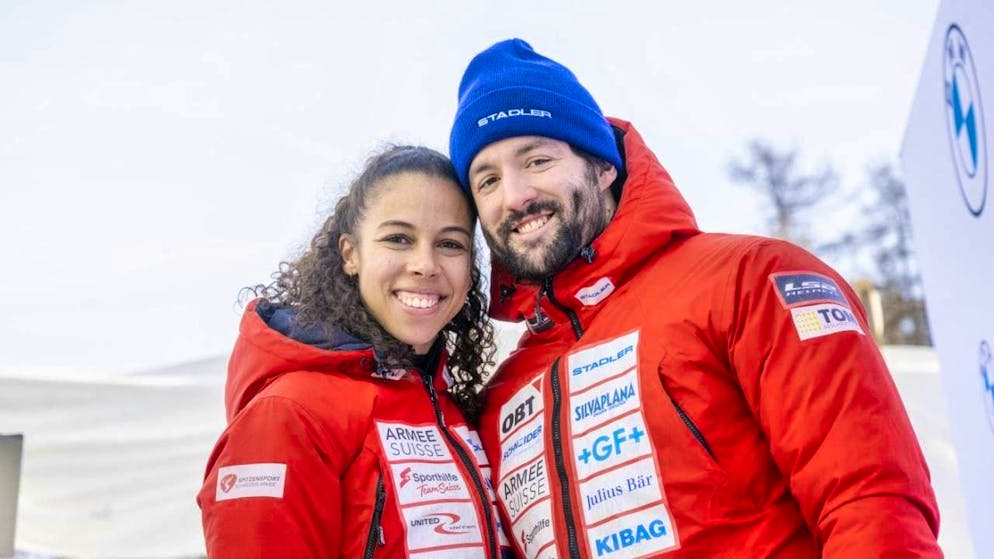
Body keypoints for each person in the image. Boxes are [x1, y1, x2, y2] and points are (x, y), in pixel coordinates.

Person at [448, 39, 942, 558]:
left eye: (538, 159)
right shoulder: (502, 396)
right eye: (487, 180)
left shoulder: (753, 281)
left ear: (603, 166)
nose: (515, 194)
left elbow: (871, 503)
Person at [197, 145, 513, 558]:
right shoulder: (289, 413)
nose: (425, 264)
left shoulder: (453, 409)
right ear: (351, 254)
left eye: (451, 244)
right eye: (398, 239)